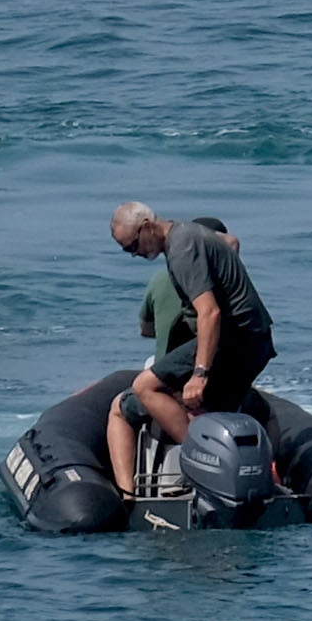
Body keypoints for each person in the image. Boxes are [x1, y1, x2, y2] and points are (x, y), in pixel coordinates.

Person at [103, 202, 277, 496]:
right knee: (198, 406)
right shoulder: (189, 232)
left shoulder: (181, 248)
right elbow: (231, 241)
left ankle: (206, 460)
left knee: (144, 386)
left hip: (235, 340)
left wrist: (199, 373)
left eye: (132, 246)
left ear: (147, 227)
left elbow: (209, 312)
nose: (134, 254)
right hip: (254, 339)